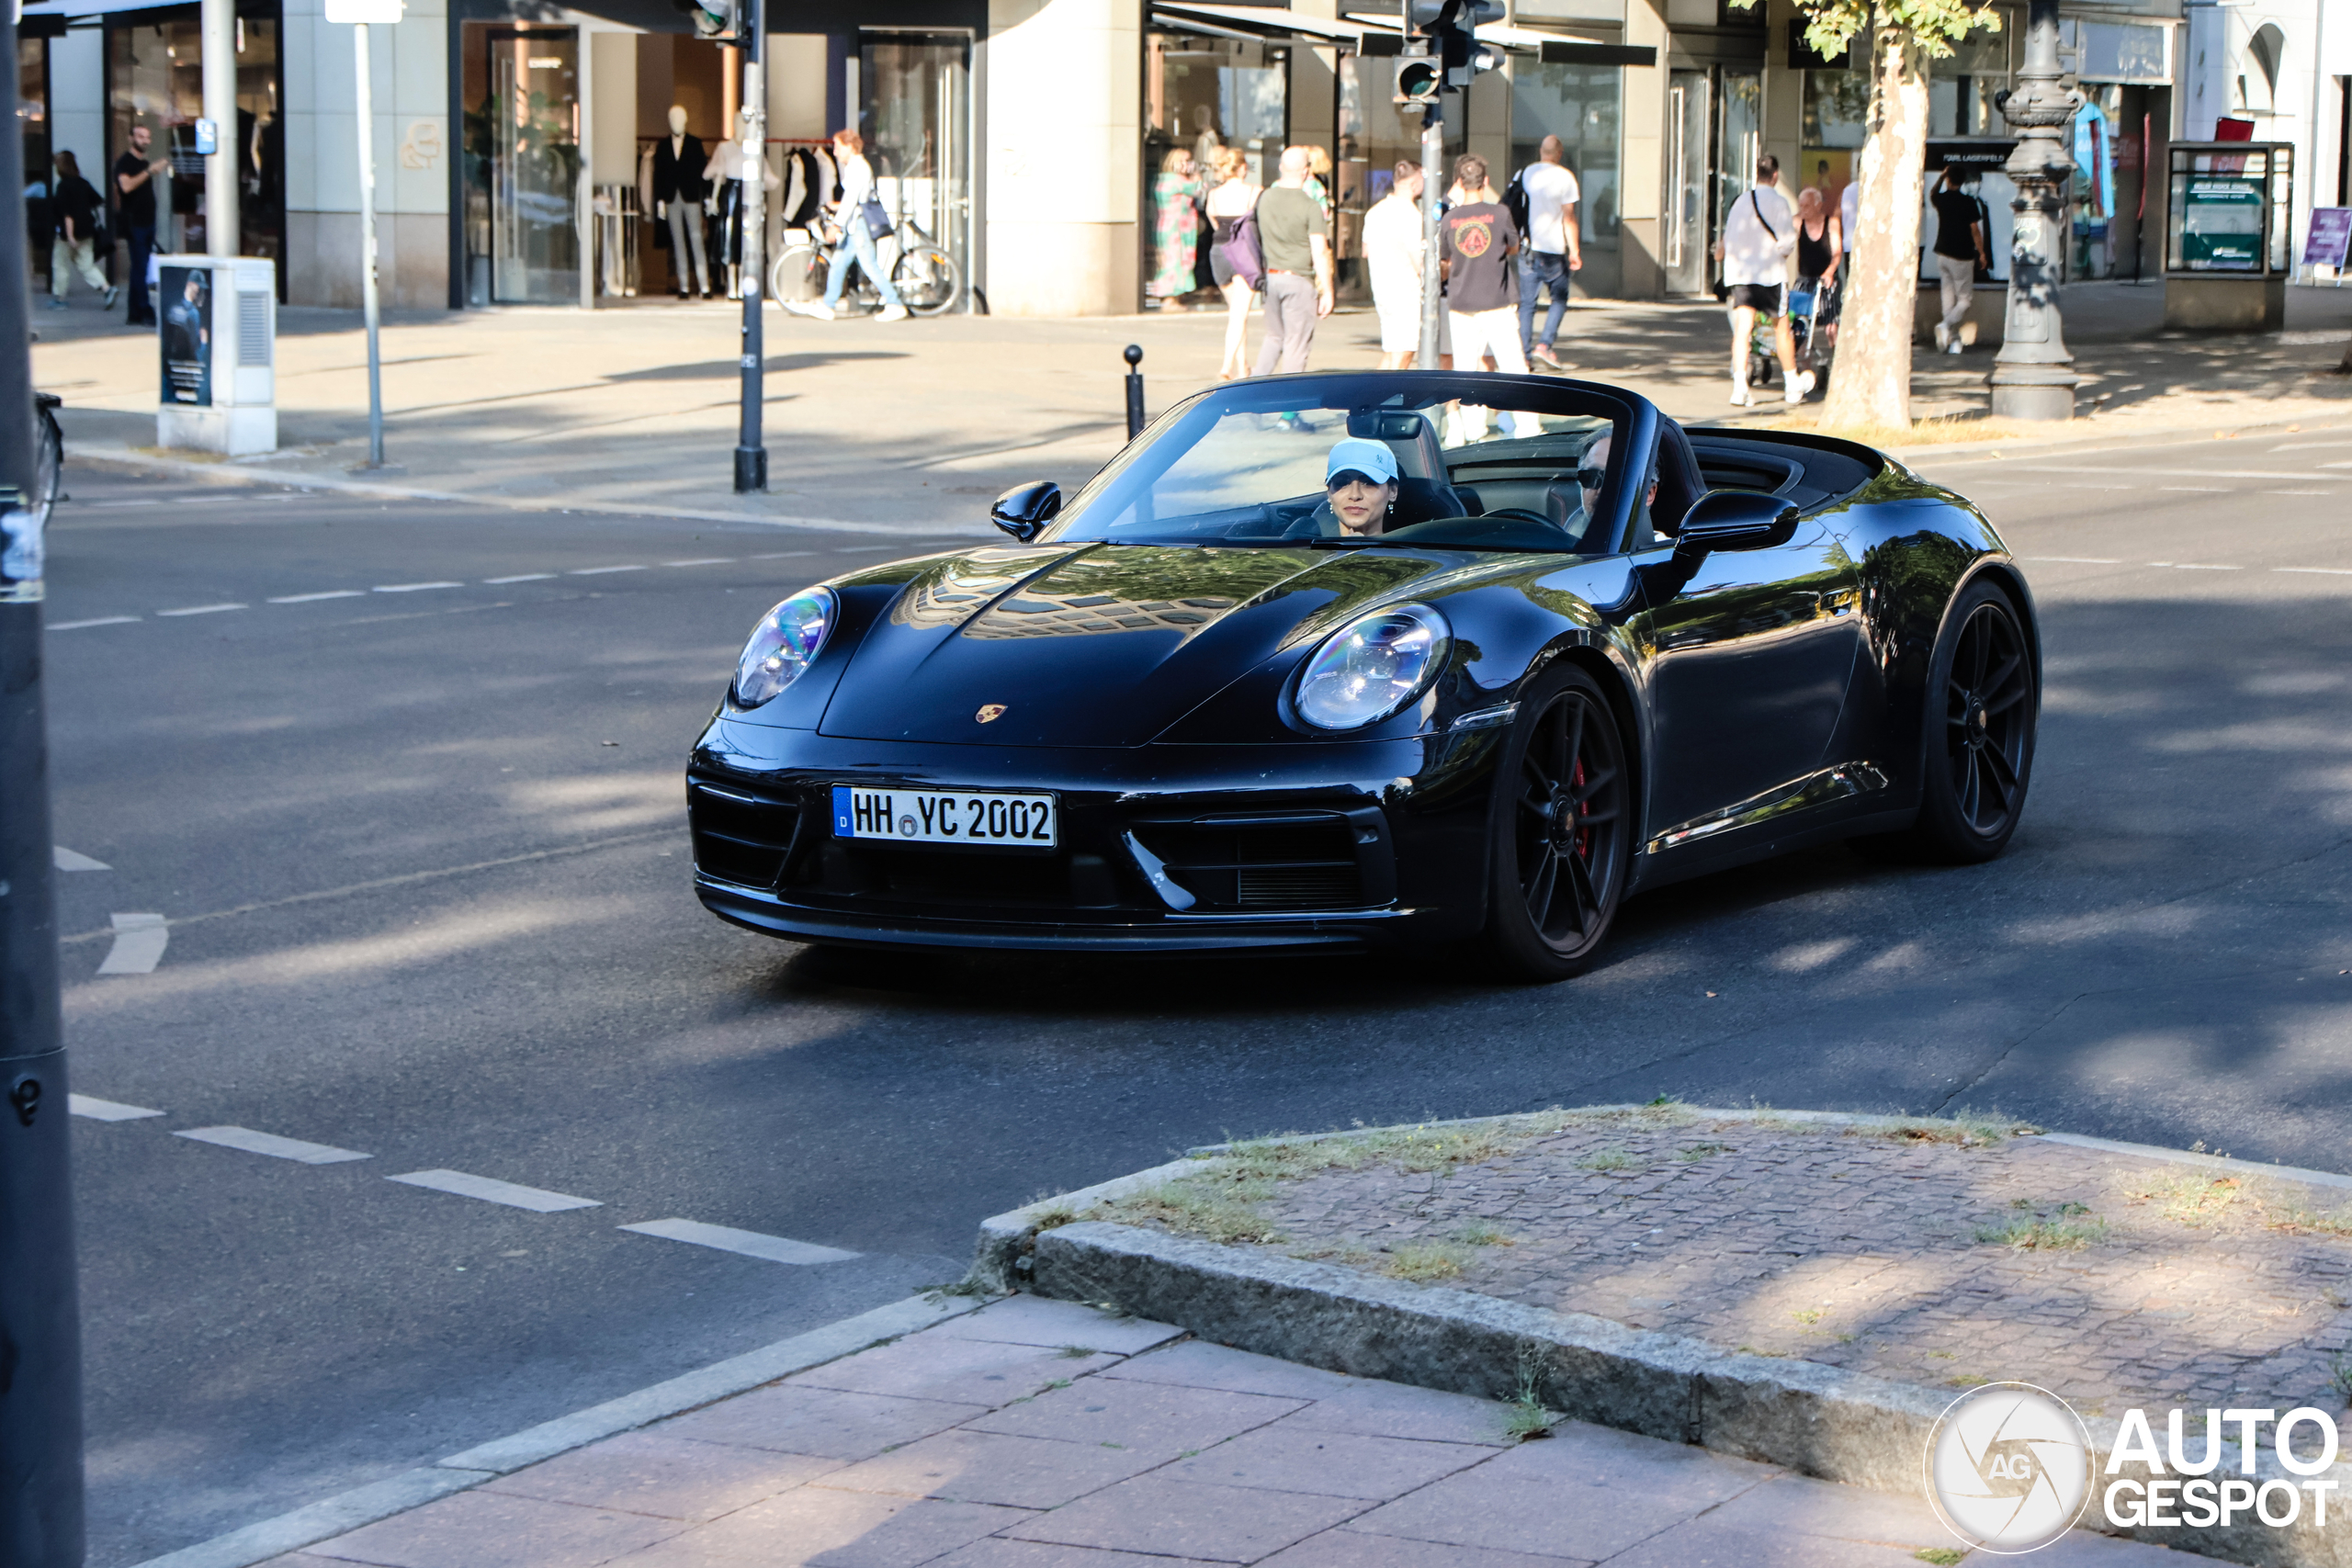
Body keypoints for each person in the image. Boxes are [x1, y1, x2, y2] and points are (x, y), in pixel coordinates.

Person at [1440, 154, 1539, 441]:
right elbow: (1513, 246)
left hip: (1461, 303)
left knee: (1466, 369)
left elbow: (1446, 259)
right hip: (1498, 300)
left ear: (1459, 182)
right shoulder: (1500, 213)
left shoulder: (1449, 219)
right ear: (1485, 181)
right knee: (1514, 366)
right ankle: (1528, 427)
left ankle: (1473, 429)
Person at [1716, 152, 1808, 407]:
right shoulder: (1779, 203)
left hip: (1742, 276)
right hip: (1770, 276)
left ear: (1756, 173)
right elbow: (1787, 243)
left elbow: (1729, 238)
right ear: (1776, 175)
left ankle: (1739, 387)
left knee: (1742, 331)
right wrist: (1775, 252)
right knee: (1782, 329)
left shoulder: (1741, 202)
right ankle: (1791, 384)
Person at [793, 128, 909, 323]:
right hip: (855, 224)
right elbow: (854, 197)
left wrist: (836, 225)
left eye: (838, 147)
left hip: (858, 225)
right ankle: (828, 305)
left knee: (868, 266)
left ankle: (894, 303)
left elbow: (852, 199)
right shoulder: (857, 167)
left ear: (850, 147)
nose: (835, 152)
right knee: (839, 263)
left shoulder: (857, 167)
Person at [1251, 145, 1332, 378]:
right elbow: (1320, 251)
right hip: (1299, 281)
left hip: (1272, 278)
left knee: (1273, 337)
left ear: (1280, 168)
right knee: (1296, 346)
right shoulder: (1310, 206)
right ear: (1306, 171)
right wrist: (1327, 290)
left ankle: (1252, 395)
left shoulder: (1264, 198)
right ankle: (1288, 411)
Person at [1517, 135, 1581, 368]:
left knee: (1526, 304)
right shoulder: (1566, 177)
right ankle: (1544, 345)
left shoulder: (1527, 173)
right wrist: (1574, 250)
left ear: (1541, 151)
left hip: (1528, 248)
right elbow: (1569, 217)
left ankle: (1523, 355)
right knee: (1559, 298)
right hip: (1553, 249)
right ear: (1559, 153)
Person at [1363, 160, 1427, 369]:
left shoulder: (1375, 211)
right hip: (1404, 290)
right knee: (1405, 350)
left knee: (1392, 349)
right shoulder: (1412, 215)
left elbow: (1366, 250)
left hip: (1381, 288)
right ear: (1415, 183)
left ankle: (1372, 399)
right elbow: (1418, 259)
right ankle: (1388, 398)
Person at [1204, 147, 1259, 381]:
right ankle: (1226, 367)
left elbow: (1214, 222)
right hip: (1243, 252)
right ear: (1243, 168)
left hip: (1219, 251)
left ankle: (1243, 366)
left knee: (1237, 313)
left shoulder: (1214, 194)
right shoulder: (1254, 192)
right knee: (1239, 314)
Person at [1930, 165, 1987, 354]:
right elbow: (1975, 231)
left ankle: (1952, 341)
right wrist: (1982, 252)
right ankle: (1946, 326)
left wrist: (1942, 176)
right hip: (1961, 255)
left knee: (1948, 299)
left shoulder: (1942, 198)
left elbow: (1932, 193)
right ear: (1963, 182)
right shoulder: (1968, 202)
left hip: (1943, 253)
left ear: (1948, 180)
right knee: (1964, 300)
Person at [114, 122, 166, 327]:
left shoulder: (143, 163)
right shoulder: (125, 162)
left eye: (147, 137)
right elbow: (125, 187)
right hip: (135, 222)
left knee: (140, 267)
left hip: (147, 221)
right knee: (140, 267)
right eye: (140, 136)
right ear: (131, 138)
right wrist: (150, 172)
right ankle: (144, 309)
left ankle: (134, 312)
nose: (144, 140)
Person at [49, 152, 114, 310]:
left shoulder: (63, 186)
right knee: (86, 265)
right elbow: (98, 200)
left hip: (67, 235)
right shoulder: (83, 183)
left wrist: (70, 236)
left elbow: (67, 215)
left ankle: (59, 298)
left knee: (60, 264)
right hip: (87, 232)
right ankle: (107, 288)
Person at [1148, 148, 1203, 310]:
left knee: (1176, 260)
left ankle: (1175, 297)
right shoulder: (1175, 181)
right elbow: (1198, 189)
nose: (1188, 165)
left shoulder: (1165, 179)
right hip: (1175, 228)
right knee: (1174, 261)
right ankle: (1170, 299)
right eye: (1185, 162)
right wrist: (1197, 177)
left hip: (1175, 226)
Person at [1320, 437, 1399, 536]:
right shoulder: (1305, 544)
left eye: (1368, 483)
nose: (1355, 495)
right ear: (1329, 492)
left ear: (1393, 491)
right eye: (1342, 483)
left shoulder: (1411, 550)